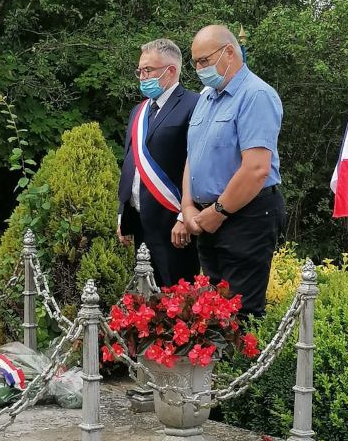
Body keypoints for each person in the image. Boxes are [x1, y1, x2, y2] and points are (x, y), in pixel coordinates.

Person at [182, 24, 286, 318]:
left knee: (239, 317)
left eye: (204, 61)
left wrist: (217, 212)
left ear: (229, 52)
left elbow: (256, 169)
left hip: (246, 217)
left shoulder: (256, 95)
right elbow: (193, 156)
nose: (199, 68)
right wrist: (188, 207)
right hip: (207, 218)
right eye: (196, 63)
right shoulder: (206, 97)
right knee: (211, 313)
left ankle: (240, 367)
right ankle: (214, 366)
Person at [118, 38, 200, 286]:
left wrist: (185, 217)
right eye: (140, 71)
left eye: (148, 70)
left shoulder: (195, 105)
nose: (142, 77)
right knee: (145, 302)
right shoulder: (139, 111)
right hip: (142, 221)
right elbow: (131, 163)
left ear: (171, 70)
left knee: (177, 301)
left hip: (174, 223)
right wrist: (123, 213)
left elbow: (196, 163)